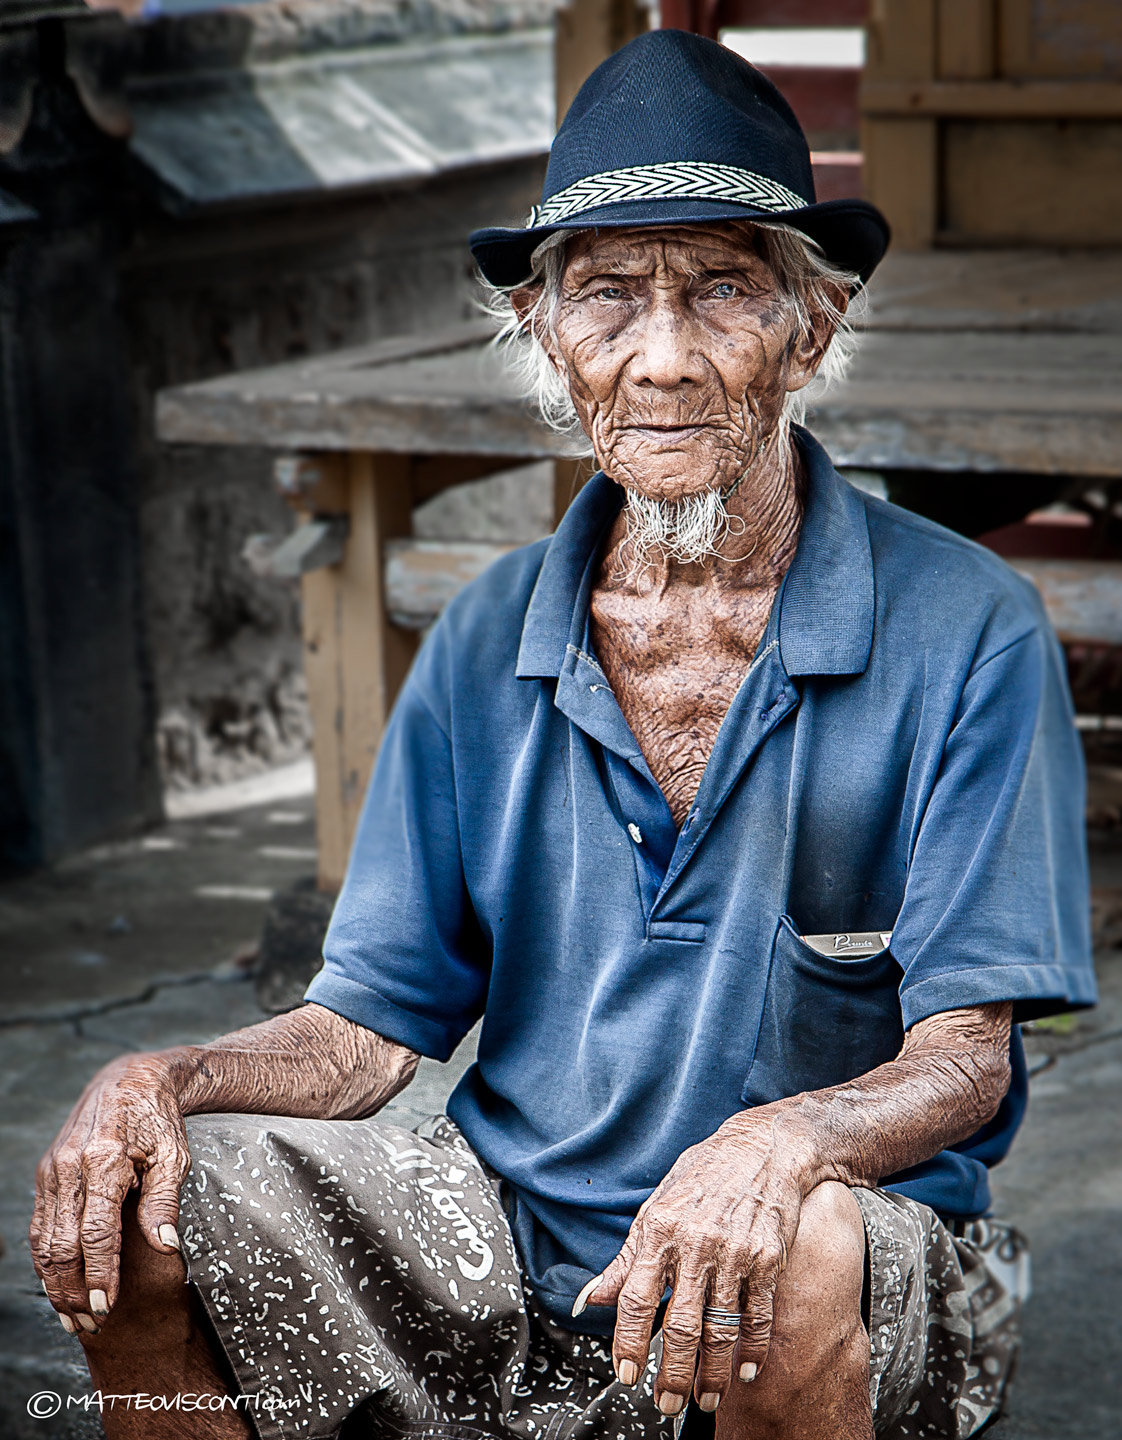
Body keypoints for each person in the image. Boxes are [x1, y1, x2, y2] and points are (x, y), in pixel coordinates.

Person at [32, 30, 1094, 1440]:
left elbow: (963, 1059)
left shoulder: (968, 626)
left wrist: (772, 1142)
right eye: (607, 297)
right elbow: (365, 1032)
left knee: (786, 1252)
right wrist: (159, 1076)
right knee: (145, 1201)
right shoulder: (486, 638)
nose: (660, 358)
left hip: (851, 1246)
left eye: (720, 289)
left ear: (808, 328)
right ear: (544, 338)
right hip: (509, 1235)